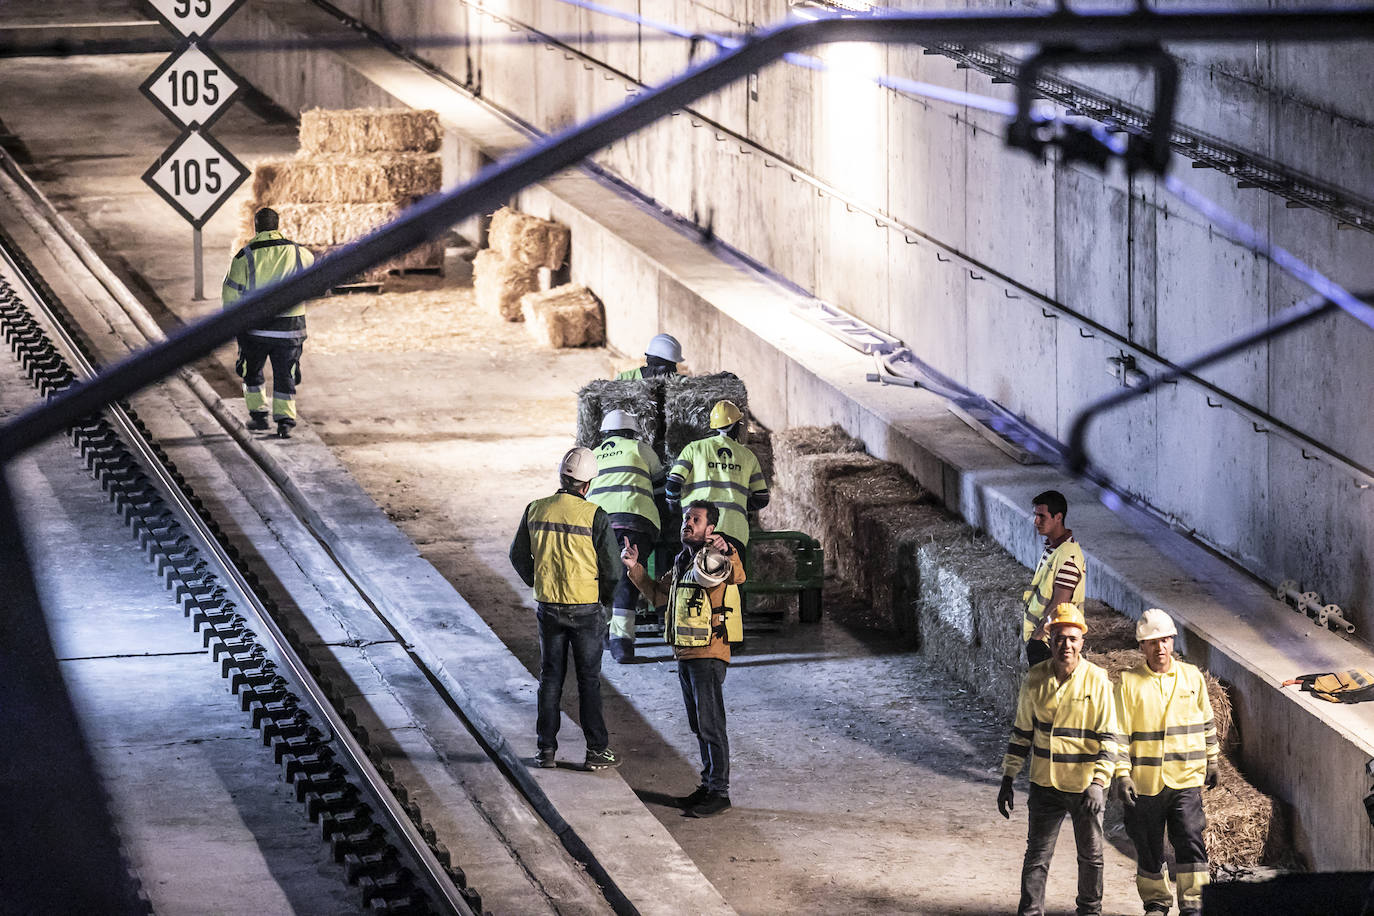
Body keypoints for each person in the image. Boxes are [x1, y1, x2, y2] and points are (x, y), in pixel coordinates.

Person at [621, 501, 744, 817]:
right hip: (687, 654)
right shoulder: (681, 562)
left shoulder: (713, 557)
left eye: (696, 520)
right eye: (686, 518)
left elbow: (738, 576)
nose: (687, 523)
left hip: (708, 653)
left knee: (711, 725)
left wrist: (727, 547)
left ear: (710, 529)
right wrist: (634, 567)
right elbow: (660, 596)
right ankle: (707, 785)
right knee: (699, 725)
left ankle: (720, 792)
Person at [999, 602, 1120, 916]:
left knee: (1091, 856)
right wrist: (1008, 778)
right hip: (1045, 784)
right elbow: (1022, 733)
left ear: (1082, 641)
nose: (1066, 644)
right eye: (1059, 638)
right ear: (1049, 640)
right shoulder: (1035, 679)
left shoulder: (1098, 681)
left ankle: (1090, 911)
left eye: (1072, 638)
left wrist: (1098, 783)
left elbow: (1109, 738)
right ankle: (1029, 912)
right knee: (1037, 856)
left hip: (1085, 788)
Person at [509, 446, 623, 771]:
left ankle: (545, 751)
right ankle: (596, 751)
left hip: (549, 607)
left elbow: (517, 555)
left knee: (550, 678)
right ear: (587, 485)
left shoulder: (535, 509)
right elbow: (613, 570)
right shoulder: (595, 516)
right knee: (589, 680)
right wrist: (605, 598)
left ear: (562, 477)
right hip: (586, 609)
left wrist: (538, 581)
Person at [1113, 608, 1218, 916]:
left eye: (1165, 641)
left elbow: (1206, 723)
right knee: (1147, 844)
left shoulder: (1192, 678)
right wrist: (1122, 775)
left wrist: (1212, 761)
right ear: (1142, 647)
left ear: (1173, 641)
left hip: (1185, 778)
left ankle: (1194, 902)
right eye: (1152, 642)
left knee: (1189, 837)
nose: (1160, 648)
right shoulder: (1129, 684)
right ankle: (1156, 902)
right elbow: (1118, 735)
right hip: (1145, 783)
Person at [222, 207, 316, 439]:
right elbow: (316, 283)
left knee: (251, 371)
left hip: (255, 330)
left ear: (256, 226)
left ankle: (259, 417)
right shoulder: (299, 253)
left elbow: (230, 296)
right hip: (290, 329)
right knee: (285, 374)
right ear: (277, 226)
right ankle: (285, 422)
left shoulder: (244, 256)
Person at [586, 409, 663, 664]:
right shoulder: (640, 448)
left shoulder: (593, 454)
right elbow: (662, 486)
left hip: (597, 524)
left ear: (605, 433)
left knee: (603, 577)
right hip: (635, 521)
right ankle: (621, 642)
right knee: (628, 577)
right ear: (631, 432)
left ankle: (607, 635)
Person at [1021, 489, 1086, 667]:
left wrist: (1038, 637)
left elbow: (1059, 604)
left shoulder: (1067, 557)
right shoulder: (1055, 549)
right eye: (1036, 516)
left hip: (1051, 644)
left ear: (1058, 517)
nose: (1036, 521)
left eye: (1042, 516)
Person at [615, 333, 683, 379]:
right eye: (671, 366)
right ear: (656, 364)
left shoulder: (677, 383)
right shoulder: (622, 380)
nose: (675, 370)